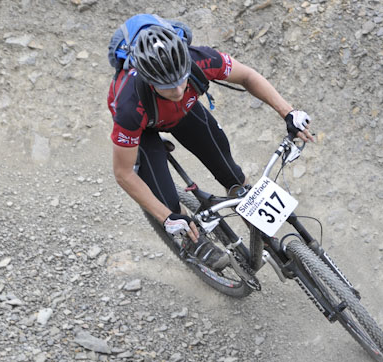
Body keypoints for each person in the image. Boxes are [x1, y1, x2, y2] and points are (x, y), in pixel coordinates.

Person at [108, 25, 314, 270]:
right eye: (166, 86)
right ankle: (191, 240)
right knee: (170, 208)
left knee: (234, 178)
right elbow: (123, 173)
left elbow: (247, 76)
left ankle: (264, 236)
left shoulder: (199, 59)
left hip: (184, 113)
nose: (177, 90)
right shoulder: (129, 107)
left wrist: (288, 112)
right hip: (144, 131)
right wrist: (166, 218)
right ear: (149, 81)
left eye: (181, 79)